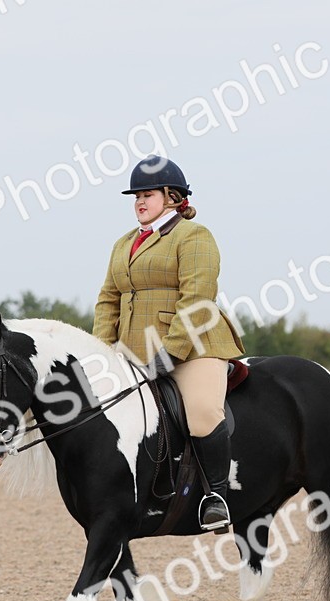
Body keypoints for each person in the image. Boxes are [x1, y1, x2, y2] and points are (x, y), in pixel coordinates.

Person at [92, 155, 244, 532]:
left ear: (172, 197)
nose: (139, 202)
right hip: (132, 350)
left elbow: (197, 300)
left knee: (202, 410)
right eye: (136, 196)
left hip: (194, 347)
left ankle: (217, 497)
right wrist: (99, 352)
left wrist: (170, 354)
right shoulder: (124, 244)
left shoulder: (194, 236)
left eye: (148, 195)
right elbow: (108, 300)